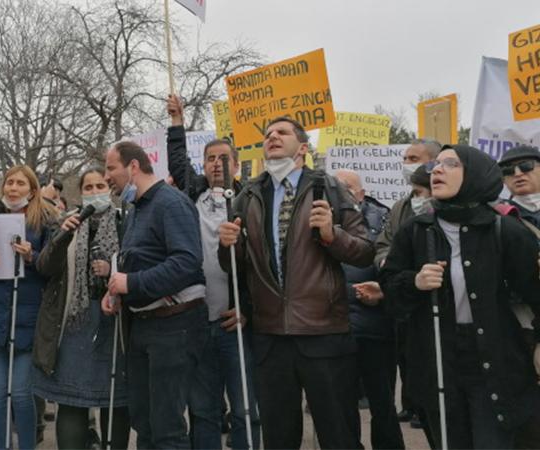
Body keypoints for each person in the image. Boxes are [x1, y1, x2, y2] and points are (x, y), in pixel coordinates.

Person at [217, 117, 374, 449]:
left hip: (323, 332)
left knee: (339, 436)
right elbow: (235, 267)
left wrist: (333, 236)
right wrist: (229, 245)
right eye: (268, 134)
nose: (272, 136)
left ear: (302, 148)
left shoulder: (330, 187)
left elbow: (365, 252)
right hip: (271, 338)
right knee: (279, 438)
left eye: (282, 133)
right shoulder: (249, 194)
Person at [380, 144, 540, 449]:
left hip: (495, 361)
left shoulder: (504, 230)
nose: (436, 170)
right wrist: (414, 281)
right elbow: (390, 291)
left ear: (475, 174)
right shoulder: (415, 231)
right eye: (435, 165)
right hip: (437, 360)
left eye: (451, 164)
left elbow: (537, 292)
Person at [166, 94, 260, 450]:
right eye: (210, 159)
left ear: (236, 165)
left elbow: (263, 266)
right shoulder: (191, 195)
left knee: (245, 410)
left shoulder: (251, 200)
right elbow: (177, 161)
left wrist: (248, 309)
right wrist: (177, 121)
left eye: (224, 159)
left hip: (235, 324)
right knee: (203, 411)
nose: (216, 164)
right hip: (197, 322)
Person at [101, 140, 208, 449]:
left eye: (111, 168)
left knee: (166, 428)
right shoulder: (136, 209)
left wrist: (131, 283)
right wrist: (119, 292)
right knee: (145, 423)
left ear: (133, 166)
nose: (106, 176)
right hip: (144, 326)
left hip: (175, 326)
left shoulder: (170, 203)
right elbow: (140, 261)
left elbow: (187, 262)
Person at [33, 167, 131, 450]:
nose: (94, 191)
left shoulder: (126, 222)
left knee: (115, 400)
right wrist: (62, 236)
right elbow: (45, 267)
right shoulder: (67, 223)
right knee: (72, 401)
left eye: (99, 185)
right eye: (88, 187)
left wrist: (112, 269)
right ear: (81, 193)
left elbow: (136, 263)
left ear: (109, 188)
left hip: (115, 323)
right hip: (74, 321)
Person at [0, 165, 58, 450]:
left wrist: (32, 255)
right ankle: (1, 445)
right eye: (9, 182)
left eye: (20, 183)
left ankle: (26, 445)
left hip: (29, 315)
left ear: (32, 190)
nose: (13, 188)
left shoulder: (45, 222)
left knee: (21, 394)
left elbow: (54, 268)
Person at [373, 138, 441, 434]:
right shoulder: (401, 206)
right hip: (406, 305)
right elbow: (383, 245)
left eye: (413, 158)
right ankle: (415, 405)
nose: (406, 164)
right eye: (405, 158)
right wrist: (389, 263)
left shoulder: (454, 204)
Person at [334, 169, 404, 450]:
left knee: (382, 402)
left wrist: (383, 292)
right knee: (340, 403)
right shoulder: (317, 221)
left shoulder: (385, 220)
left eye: (346, 187)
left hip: (376, 327)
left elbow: (397, 267)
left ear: (361, 194)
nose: (340, 191)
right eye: (334, 186)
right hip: (334, 327)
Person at [497, 145, 540, 449]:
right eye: (508, 172)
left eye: (525, 166)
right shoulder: (497, 218)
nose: (517, 175)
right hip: (523, 320)